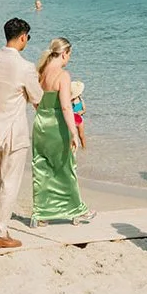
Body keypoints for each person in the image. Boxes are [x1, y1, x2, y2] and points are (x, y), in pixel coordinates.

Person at [0, 17, 43, 249]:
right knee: (10, 183)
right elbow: (38, 99)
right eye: (28, 37)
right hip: (14, 132)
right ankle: (0, 231)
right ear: (23, 36)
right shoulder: (25, 67)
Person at [31, 37, 93, 226]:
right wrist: (74, 133)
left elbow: (35, 100)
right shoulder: (63, 75)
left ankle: (40, 213)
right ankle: (76, 209)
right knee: (66, 167)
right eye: (69, 55)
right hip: (57, 126)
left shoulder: (40, 72)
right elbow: (66, 107)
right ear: (65, 53)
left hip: (40, 123)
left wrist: (44, 113)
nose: (69, 59)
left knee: (42, 168)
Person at [70, 79, 87, 148]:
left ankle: (84, 147)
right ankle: (71, 148)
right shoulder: (69, 101)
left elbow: (84, 109)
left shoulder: (81, 100)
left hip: (80, 119)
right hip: (71, 119)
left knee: (81, 135)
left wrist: (82, 112)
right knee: (72, 136)